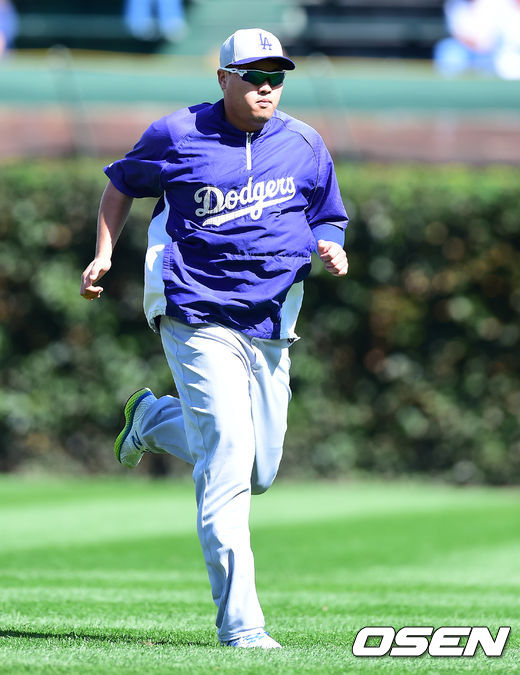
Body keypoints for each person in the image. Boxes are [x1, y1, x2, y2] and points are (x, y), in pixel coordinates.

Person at [80, 28, 348, 649]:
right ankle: (242, 627)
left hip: (272, 323)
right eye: (255, 77)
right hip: (195, 312)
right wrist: (104, 253)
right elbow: (121, 183)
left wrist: (331, 244)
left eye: (277, 77)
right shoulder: (178, 134)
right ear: (224, 78)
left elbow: (327, 213)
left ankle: (152, 420)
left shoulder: (305, 143)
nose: (267, 88)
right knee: (226, 455)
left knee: (260, 470)